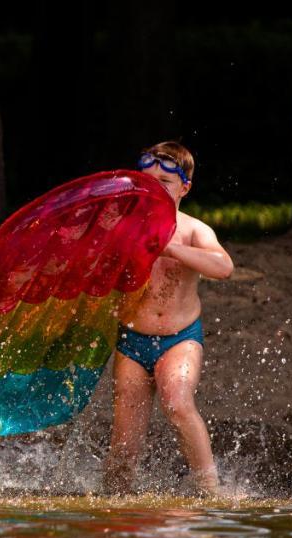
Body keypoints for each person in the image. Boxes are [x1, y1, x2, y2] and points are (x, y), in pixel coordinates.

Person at [104, 141, 234, 495]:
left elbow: (224, 267)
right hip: (132, 342)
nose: (153, 188)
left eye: (164, 182)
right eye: (146, 180)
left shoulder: (193, 231)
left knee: (176, 401)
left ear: (184, 188)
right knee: (125, 446)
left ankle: (211, 492)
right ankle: (113, 503)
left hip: (180, 338)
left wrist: (172, 247)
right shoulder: (124, 227)